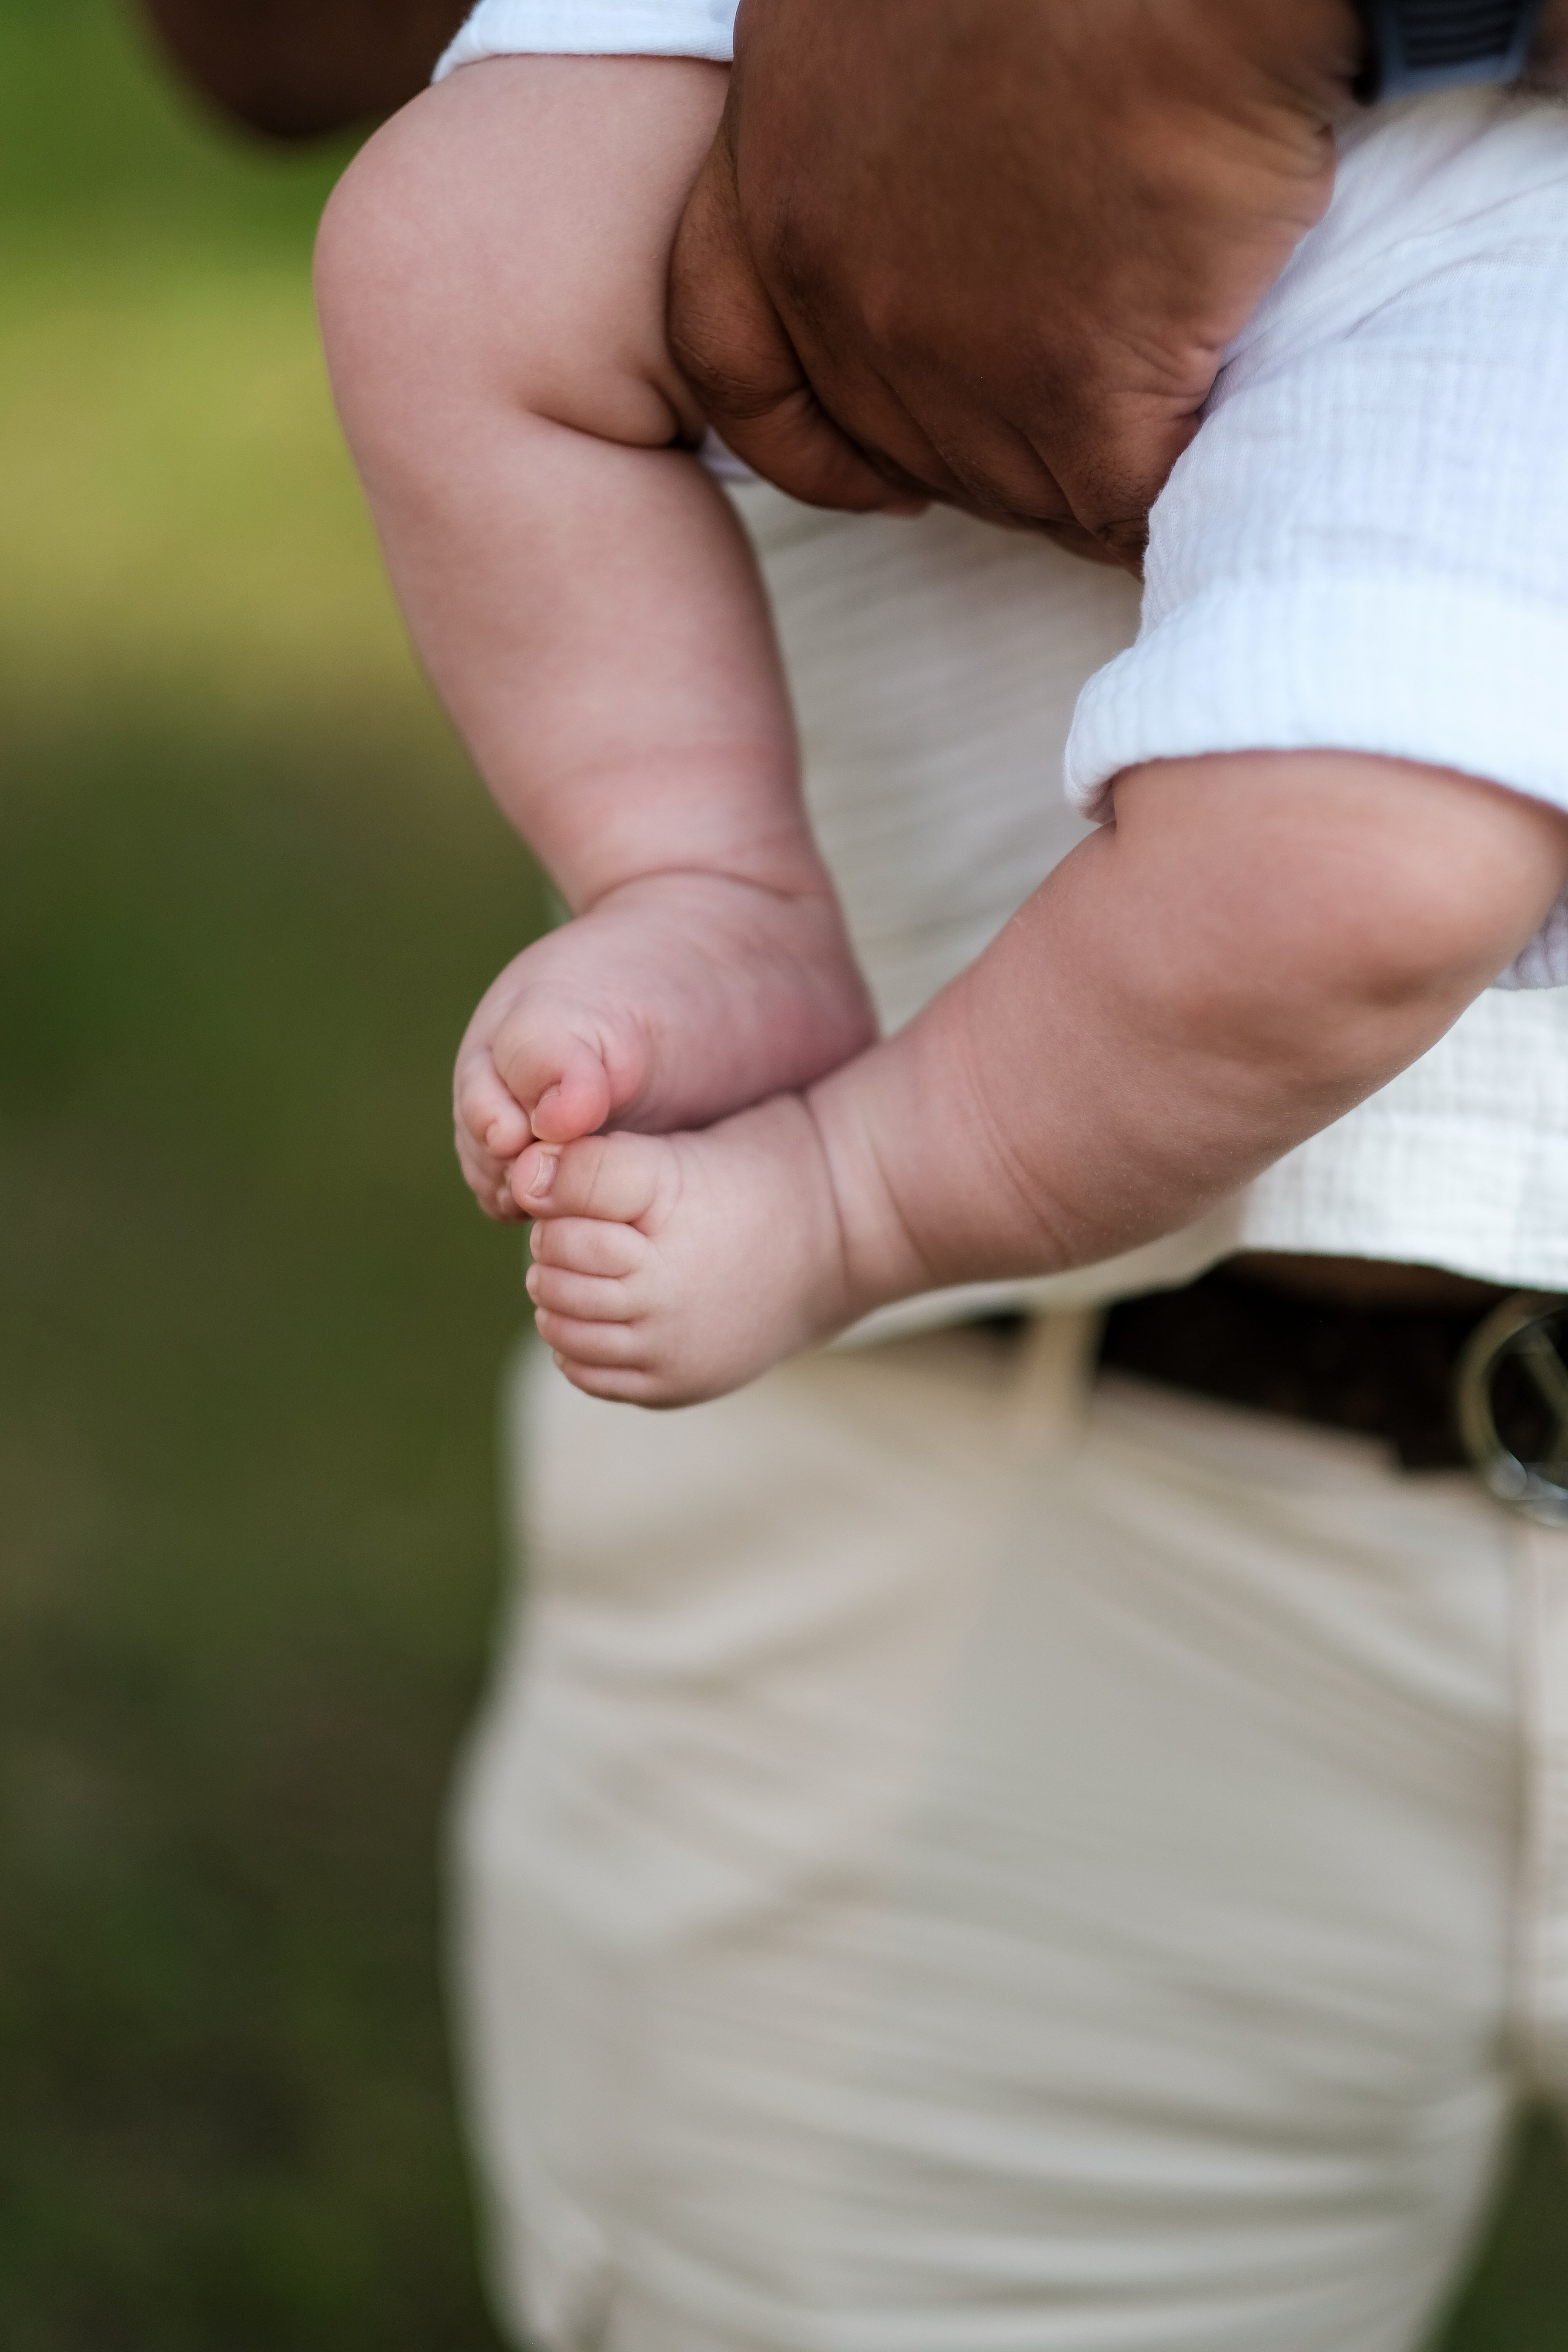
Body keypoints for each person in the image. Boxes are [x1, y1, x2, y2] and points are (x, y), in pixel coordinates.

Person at [155, 1, 1568, 2345]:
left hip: (1444, 200)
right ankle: (711, 887)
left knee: (1361, 844)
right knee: (447, 242)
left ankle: (855, 1186)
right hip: (999, 1494)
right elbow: (246, 44)